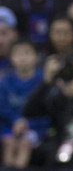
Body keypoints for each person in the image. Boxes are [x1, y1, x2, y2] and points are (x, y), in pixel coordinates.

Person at [0, 39, 48, 169]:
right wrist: (16, 121)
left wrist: (27, 123)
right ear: (12, 58)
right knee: (8, 143)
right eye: (18, 54)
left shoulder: (43, 81)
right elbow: (3, 109)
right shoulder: (5, 81)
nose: (23, 57)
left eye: (27, 53)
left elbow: (46, 110)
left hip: (35, 127)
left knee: (25, 144)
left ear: (36, 57)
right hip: (9, 126)